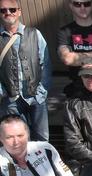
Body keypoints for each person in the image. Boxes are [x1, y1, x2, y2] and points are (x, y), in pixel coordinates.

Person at [0, 0, 51, 142]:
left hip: (36, 95)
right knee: (17, 140)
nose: (8, 13)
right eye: (3, 10)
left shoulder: (35, 34)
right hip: (10, 98)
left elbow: (45, 64)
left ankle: (43, 163)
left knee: (42, 138)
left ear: (19, 11)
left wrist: (41, 93)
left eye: (12, 9)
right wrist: (2, 92)